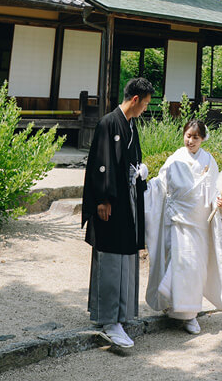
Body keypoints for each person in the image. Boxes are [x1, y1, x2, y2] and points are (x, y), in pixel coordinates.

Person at [82, 76, 153, 349]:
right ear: (135, 100)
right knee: (110, 256)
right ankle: (109, 320)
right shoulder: (108, 123)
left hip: (127, 200)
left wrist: (140, 171)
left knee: (125, 254)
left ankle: (120, 315)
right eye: (145, 104)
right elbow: (101, 163)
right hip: (110, 202)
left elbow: (129, 160)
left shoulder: (130, 124)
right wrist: (102, 198)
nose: (145, 109)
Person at [144, 118, 222, 335]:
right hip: (177, 221)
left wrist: (221, 202)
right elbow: (160, 185)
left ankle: (190, 315)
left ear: (203, 139)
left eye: (195, 137)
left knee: (195, 269)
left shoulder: (209, 161)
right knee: (177, 265)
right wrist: (142, 185)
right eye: (188, 136)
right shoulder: (174, 159)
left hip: (199, 223)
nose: (190, 141)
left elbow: (216, 190)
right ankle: (173, 307)